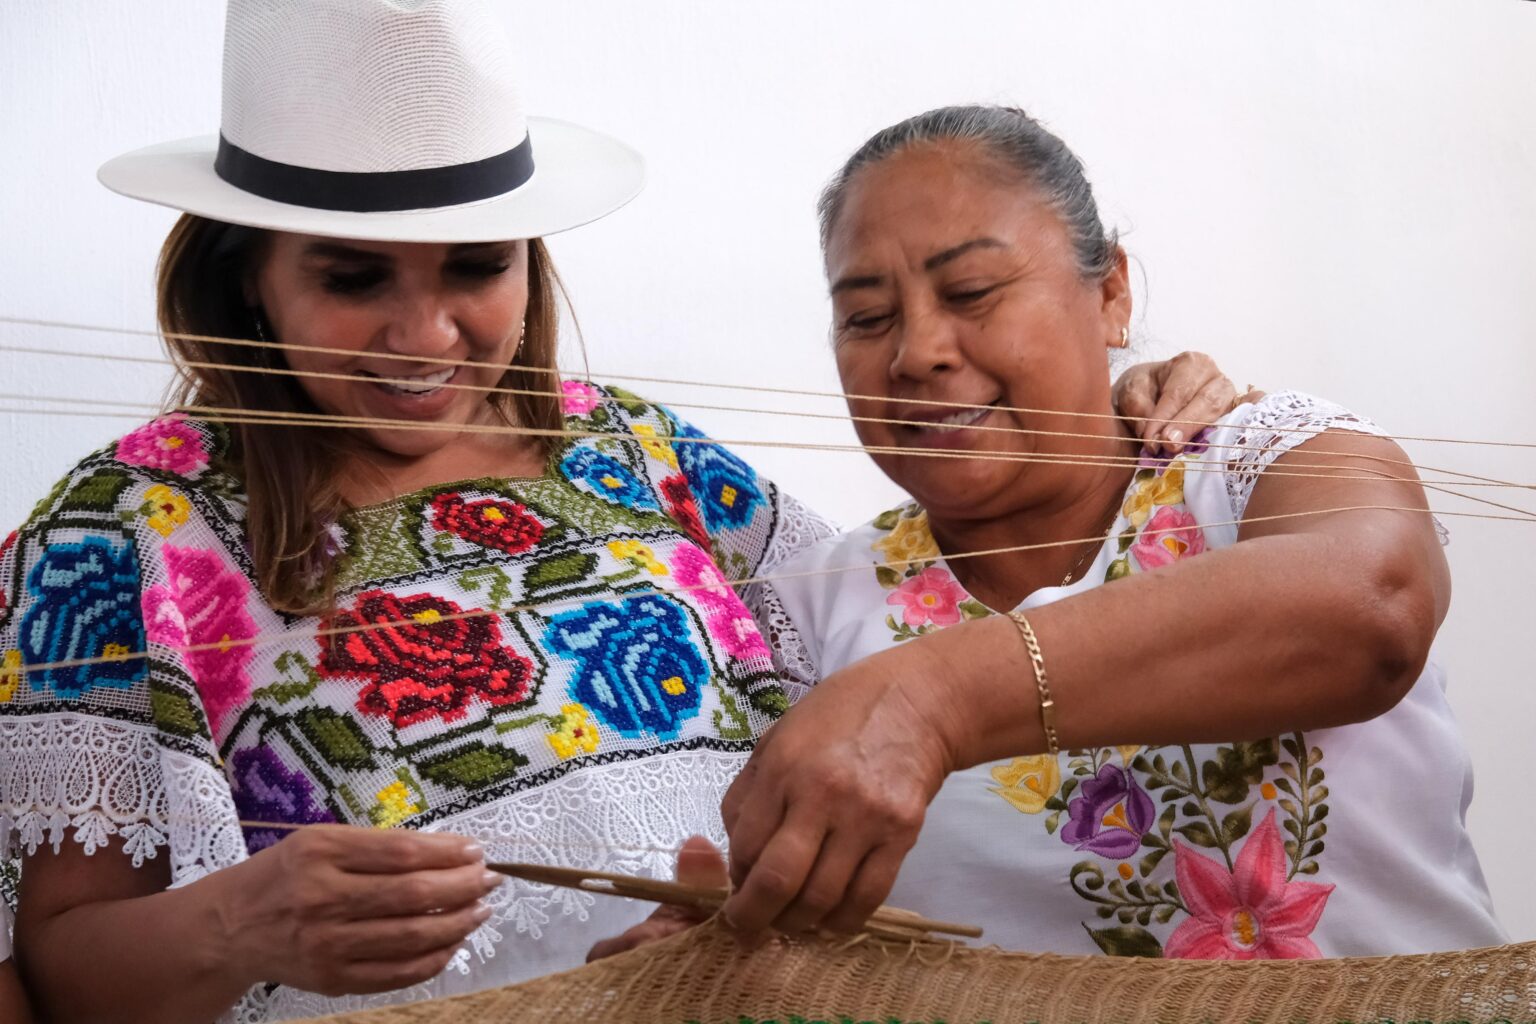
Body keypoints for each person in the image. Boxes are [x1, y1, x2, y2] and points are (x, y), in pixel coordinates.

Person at [0, 8, 1237, 1022]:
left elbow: (906, 614)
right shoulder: (124, 529)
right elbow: (57, 975)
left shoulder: (637, 452)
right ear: (247, 275)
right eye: (352, 275)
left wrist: (1145, 434)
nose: (426, 336)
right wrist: (243, 922)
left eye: (479, 264)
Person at [713, 106, 1506, 959]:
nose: (918, 351)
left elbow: (1374, 605)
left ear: (1111, 293)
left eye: (971, 292)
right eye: (867, 318)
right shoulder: (812, 612)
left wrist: (932, 699)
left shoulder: (1254, 463)